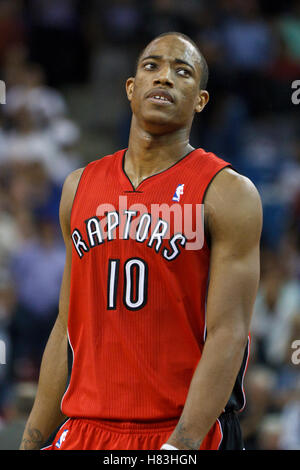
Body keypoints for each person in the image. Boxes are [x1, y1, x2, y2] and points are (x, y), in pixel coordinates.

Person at [19, 32, 262, 451]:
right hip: (86, 428)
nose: (164, 78)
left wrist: (179, 446)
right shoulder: (78, 187)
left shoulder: (227, 192)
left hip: (182, 428)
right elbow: (66, 326)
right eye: (152, 66)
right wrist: (30, 441)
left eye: (182, 72)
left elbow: (229, 333)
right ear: (131, 89)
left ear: (200, 100)